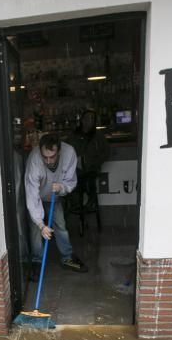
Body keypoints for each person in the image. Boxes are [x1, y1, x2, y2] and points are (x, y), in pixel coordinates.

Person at [24, 133, 88, 275]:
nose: (48, 161)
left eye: (52, 157)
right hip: (38, 198)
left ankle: (67, 257)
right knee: (35, 229)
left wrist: (62, 188)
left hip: (55, 196)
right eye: (44, 157)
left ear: (59, 151)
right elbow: (32, 195)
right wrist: (41, 224)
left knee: (60, 225)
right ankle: (37, 261)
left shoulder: (69, 153)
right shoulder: (34, 160)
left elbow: (70, 181)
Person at [68, 109, 110, 212]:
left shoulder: (98, 135)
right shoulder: (74, 135)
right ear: (82, 120)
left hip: (91, 167)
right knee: (69, 180)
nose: (89, 121)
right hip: (76, 167)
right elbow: (66, 150)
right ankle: (75, 205)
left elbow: (107, 152)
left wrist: (94, 162)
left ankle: (90, 203)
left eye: (92, 119)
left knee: (88, 179)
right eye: (87, 118)